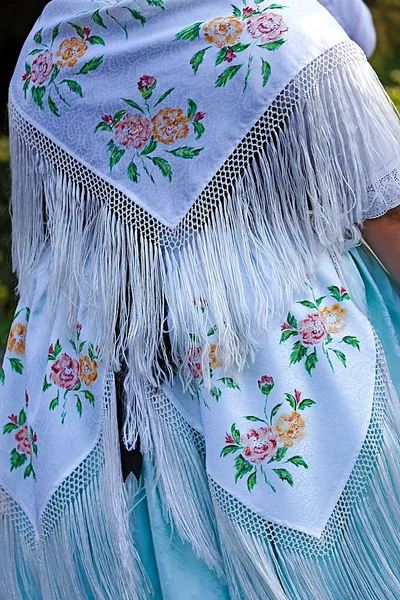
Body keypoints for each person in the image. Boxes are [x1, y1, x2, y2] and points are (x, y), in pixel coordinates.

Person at [1, 0, 399, 599]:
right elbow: (387, 214)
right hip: (267, 355)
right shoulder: (283, 32)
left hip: (96, 390)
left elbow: (55, 244)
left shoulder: (46, 58)